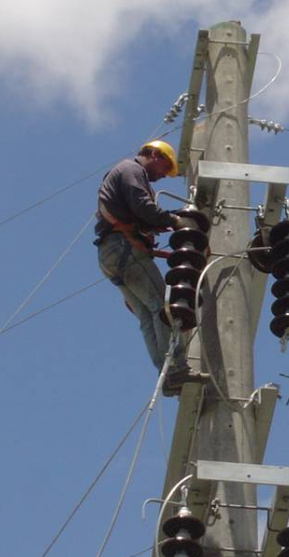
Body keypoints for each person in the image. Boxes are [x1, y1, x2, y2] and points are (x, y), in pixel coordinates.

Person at [95, 139, 209, 396]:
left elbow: (139, 215)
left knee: (147, 316)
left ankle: (167, 374)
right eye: (163, 168)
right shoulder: (131, 170)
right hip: (123, 250)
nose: (160, 177)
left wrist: (163, 224)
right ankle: (177, 369)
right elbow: (144, 208)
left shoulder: (121, 173)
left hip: (109, 255)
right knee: (163, 307)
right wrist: (176, 220)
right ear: (154, 155)